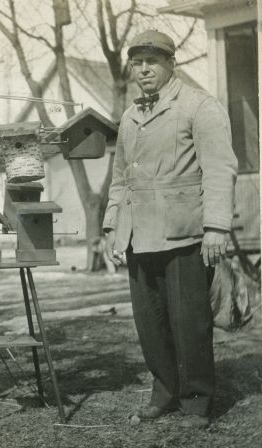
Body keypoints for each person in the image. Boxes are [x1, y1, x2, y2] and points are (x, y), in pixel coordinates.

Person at [103, 30, 237, 428]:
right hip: (138, 236)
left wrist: (216, 226)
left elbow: (219, 169)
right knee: (151, 323)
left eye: (152, 62)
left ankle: (196, 401)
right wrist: (112, 225)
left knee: (190, 322)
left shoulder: (199, 106)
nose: (144, 69)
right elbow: (120, 178)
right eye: (137, 62)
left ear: (170, 63)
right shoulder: (130, 116)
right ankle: (164, 393)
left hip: (185, 234)